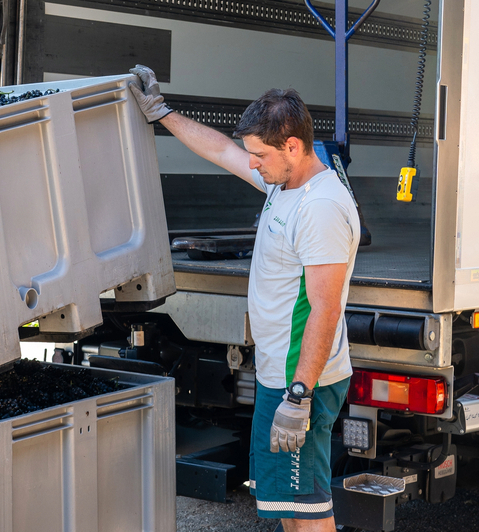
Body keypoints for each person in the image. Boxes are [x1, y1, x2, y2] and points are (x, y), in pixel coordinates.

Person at [129, 66, 357, 532]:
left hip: (301, 381)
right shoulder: (283, 182)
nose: (251, 163)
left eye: (260, 155)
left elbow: (325, 309)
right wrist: (162, 113)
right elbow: (223, 150)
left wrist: (298, 397)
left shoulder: (320, 209)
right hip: (280, 376)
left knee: (309, 512)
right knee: (287, 509)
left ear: (292, 146)